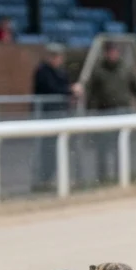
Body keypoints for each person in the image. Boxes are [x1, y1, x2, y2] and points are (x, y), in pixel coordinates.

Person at [84, 45, 136, 182]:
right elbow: (91, 94)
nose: (113, 55)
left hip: (122, 113)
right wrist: (89, 112)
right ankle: (103, 178)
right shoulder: (98, 71)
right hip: (104, 114)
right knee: (102, 148)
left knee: (120, 147)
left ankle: (121, 176)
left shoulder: (126, 69)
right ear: (106, 54)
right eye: (110, 53)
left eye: (115, 52)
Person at [31, 44, 81, 189]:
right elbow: (51, 88)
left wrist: (72, 92)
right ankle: (44, 180)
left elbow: (63, 88)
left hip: (61, 116)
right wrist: (70, 90)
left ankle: (57, 180)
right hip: (47, 117)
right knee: (47, 151)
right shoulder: (42, 71)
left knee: (60, 150)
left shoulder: (61, 72)